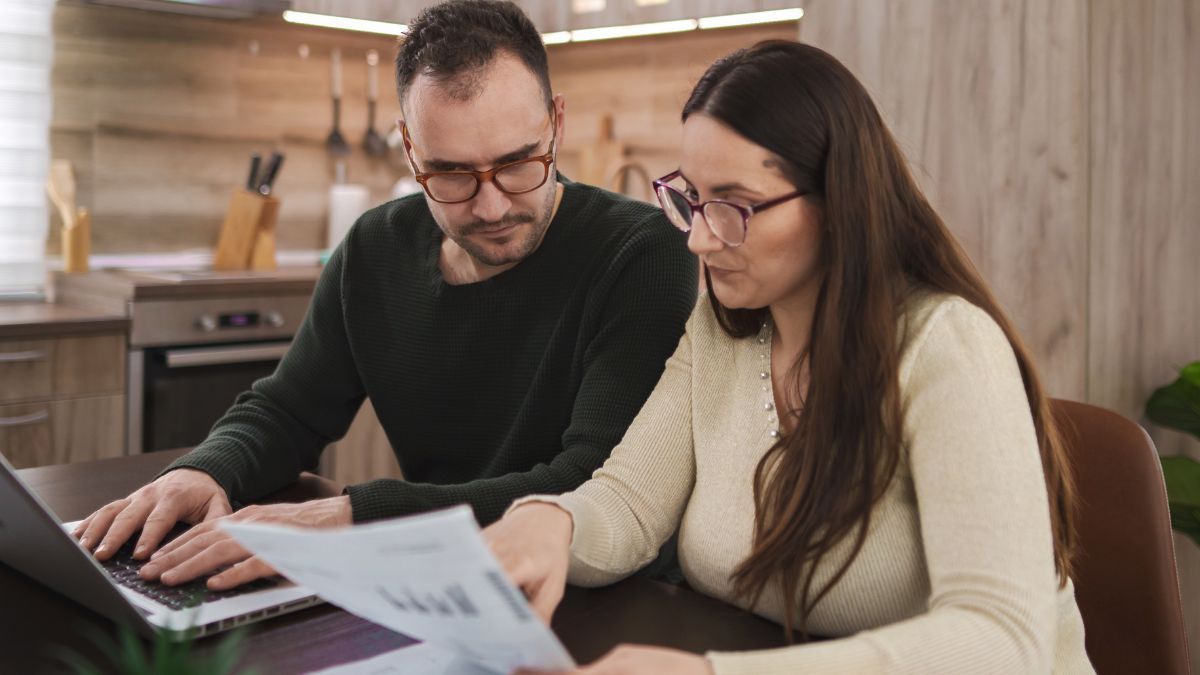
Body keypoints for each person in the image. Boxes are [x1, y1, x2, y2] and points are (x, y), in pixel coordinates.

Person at [485, 40, 1094, 673]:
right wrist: (551, 523)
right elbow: (632, 504)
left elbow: (1002, 640)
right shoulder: (722, 330)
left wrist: (711, 674)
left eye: (733, 206)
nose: (699, 238)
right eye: (692, 198)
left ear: (836, 201)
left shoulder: (948, 346)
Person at [72, 0, 696, 591]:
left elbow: (589, 487)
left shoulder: (642, 253)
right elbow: (290, 409)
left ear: (557, 123)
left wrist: (351, 516)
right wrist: (204, 469)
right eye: (451, 173)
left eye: (517, 164)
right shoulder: (375, 247)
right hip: (436, 581)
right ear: (409, 146)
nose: (491, 206)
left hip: (606, 600)